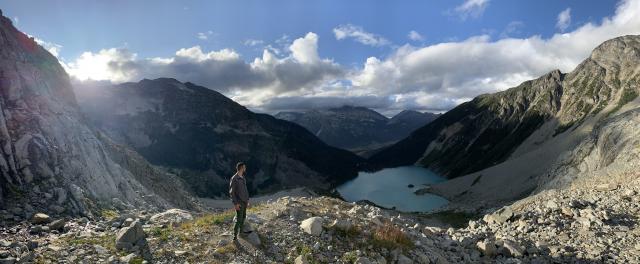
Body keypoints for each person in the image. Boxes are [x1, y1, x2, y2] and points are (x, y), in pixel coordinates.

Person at [229, 162, 250, 241]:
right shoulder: (234, 178)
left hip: (244, 201)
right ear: (241, 168)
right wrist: (235, 203)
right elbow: (232, 192)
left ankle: (241, 232)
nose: (245, 168)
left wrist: (247, 200)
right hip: (239, 202)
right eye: (244, 167)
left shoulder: (243, 177)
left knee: (243, 217)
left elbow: (245, 189)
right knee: (239, 219)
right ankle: (234, 236)